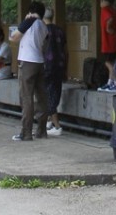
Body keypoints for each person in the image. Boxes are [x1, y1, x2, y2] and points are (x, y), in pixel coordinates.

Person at [9, 0, 48, 141]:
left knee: (26, 97)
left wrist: (25, 21)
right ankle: (41, 131)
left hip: (27, 62)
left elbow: (14, 37)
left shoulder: (30, 21)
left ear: (31, 11)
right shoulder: (43, 25)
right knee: (41, 97)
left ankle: (26, 132)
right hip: (40, 62)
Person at [43, 8, 68, 136]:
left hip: (47, 66)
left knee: (47, 95)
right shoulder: (60, 30)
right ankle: (49, 122)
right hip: (60, 65)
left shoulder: (43, 31)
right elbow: (65, 49)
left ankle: (57, 126)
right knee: (55, 93)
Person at [97, 0, 116, 93]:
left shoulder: (105, 10)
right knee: (111, 61)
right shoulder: (113, 10)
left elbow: (110, 18)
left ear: (103, 0)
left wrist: (108, 27)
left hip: (108, 43)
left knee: (107, 62)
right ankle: (110, 82)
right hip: (114, 41)